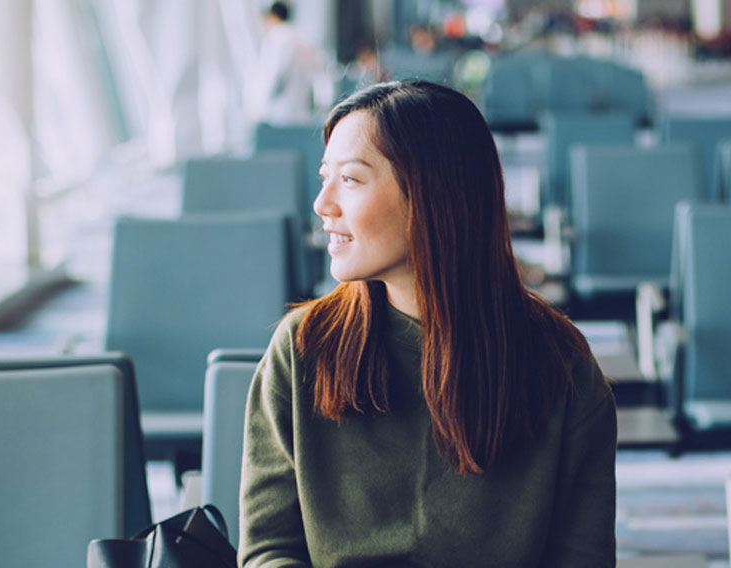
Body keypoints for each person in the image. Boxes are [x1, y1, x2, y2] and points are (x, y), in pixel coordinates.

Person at [239, 80, 618, 567]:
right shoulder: (305, 348)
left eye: (350, 180)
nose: (322, 204)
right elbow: (270, 550)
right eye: (323, 177)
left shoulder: (560, 366)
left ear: (430, 195)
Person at [245, 1, 319, 124]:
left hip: (280, 115)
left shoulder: (277, 39)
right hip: (302, 115)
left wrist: (258, 108)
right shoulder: (303, 40)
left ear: (272, 17)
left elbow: (274, 78)